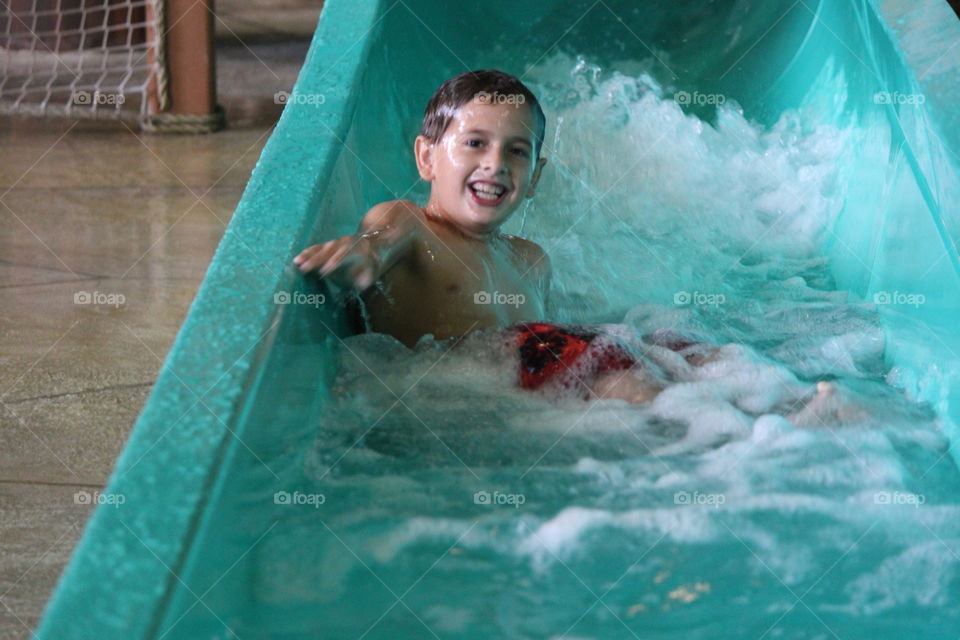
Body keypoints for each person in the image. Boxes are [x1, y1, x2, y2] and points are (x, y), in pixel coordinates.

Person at [292, 69, 842, 421]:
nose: (494, 164)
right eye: (475, 144)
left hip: (536, 367)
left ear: (535, 174)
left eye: (517, 152)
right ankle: (750, 436)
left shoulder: (530, 259)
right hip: (490, 370)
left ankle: (788, 402)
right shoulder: (410, 223)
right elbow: (377, 240)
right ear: (427, 157)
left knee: (674, 342)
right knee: (615, 372)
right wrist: (359, 254)